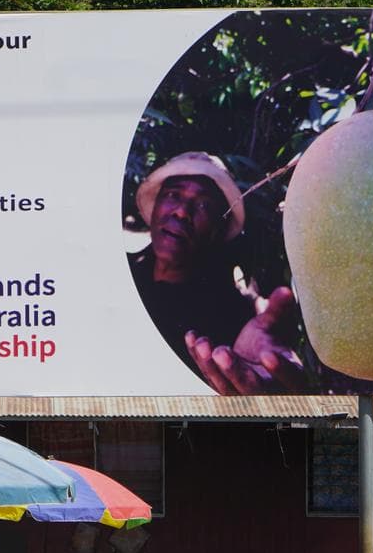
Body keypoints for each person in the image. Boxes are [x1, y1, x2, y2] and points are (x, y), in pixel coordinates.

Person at [129, 151, 304, 395]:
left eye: (204, 204)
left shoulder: (228, 314)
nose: (182, 212)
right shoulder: (120, 270)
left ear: (216, 230)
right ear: (156, 204)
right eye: (173, 195)